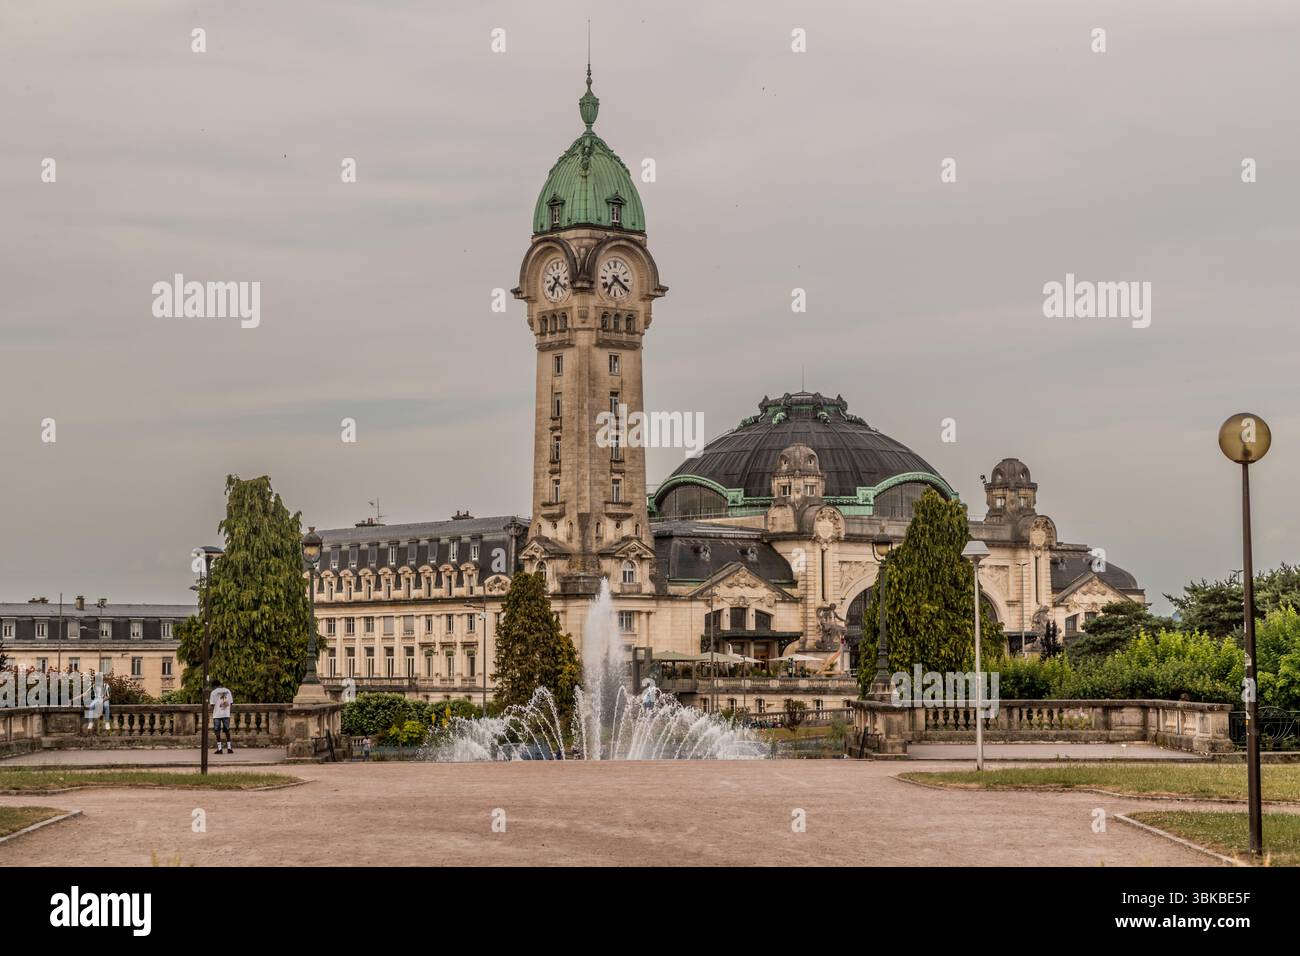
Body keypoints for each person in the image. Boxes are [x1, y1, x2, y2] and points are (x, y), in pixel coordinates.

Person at [209, 683, 234, 754]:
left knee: (217, 731)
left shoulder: (213, 692)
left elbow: (212, 704)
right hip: (226, 713)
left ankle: (219, 749)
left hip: (217, 714)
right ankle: (229, 748)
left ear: (214, 686)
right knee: (227, 730)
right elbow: (231, 703)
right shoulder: (228, 691)